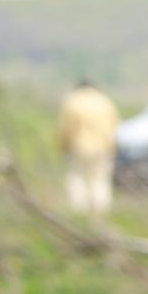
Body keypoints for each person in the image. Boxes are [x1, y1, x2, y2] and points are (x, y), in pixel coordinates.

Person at [55, 80, 119, 216]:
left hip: (78, 146)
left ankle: (79, 212)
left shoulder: (72, 102)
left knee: (77, 178)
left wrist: (64, 145)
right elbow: (114, 126)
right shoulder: (104, 101)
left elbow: (65, 128)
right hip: (103, 147)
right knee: (100, 179)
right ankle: (101, 211)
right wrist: (113, 146)